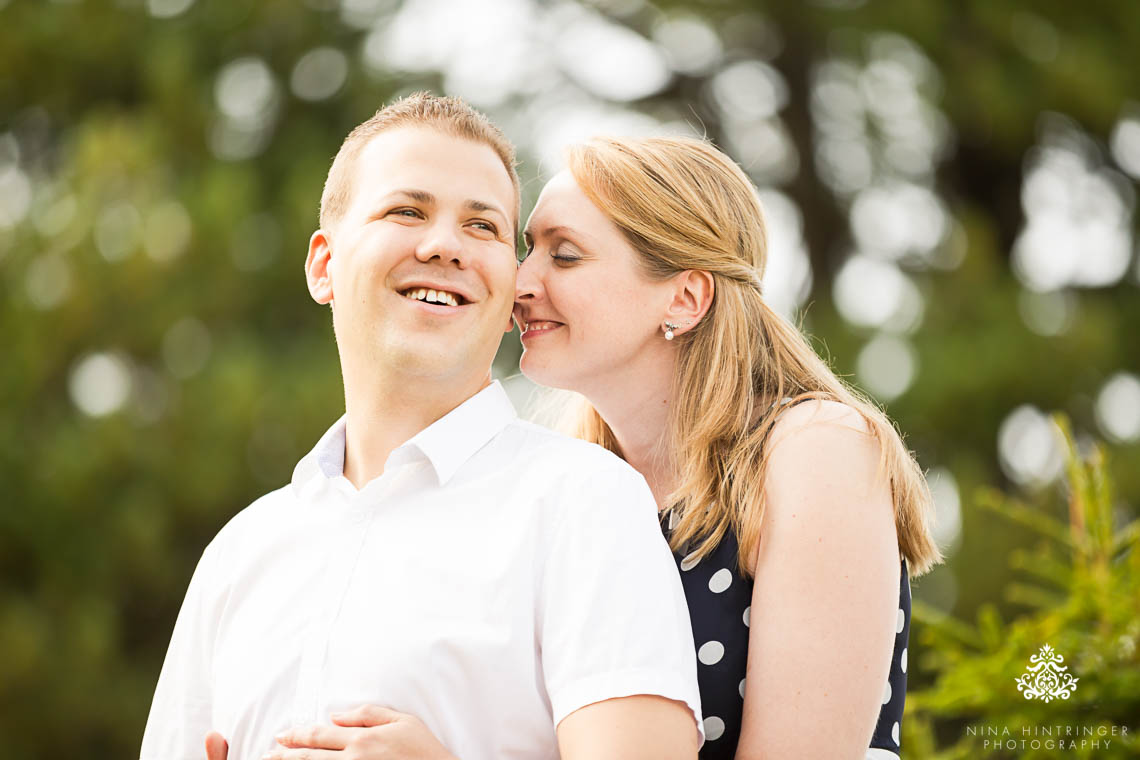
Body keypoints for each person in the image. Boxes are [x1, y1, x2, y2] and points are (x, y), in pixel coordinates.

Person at [291, 134, 943, 760]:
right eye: (529, 250)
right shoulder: (567, 487)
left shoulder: (814, 453)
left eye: (565, 255)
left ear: (684, 298)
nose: (520, 285)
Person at [139, 96, 703, 760]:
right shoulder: (239, 554)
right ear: (324, 266)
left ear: (508, 297)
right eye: (407, 211)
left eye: (483, 227)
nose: (444, 246)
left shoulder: (584, 503)